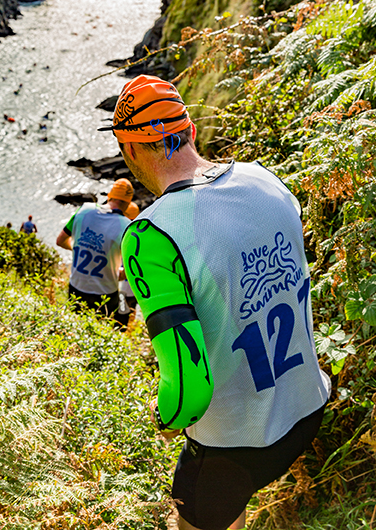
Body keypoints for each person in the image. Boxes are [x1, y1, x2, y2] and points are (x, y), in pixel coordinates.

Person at [99, 74, 331, 530]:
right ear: (190, 130)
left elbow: (186, 392)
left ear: (128, 151)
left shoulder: (152, 235)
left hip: (235, 446)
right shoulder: (263, 179)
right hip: (306, 406)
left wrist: (165, 414)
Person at [56, 179, 133, 321]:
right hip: (105, 294)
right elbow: (133, 266)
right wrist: (121, 273)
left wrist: (80, 248)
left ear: (110, 195)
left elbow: (60, 240)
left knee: (74, 327)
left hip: (77, 286)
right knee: (99, 332)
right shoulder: (127, 226)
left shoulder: (84, 210)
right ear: (128, 203)